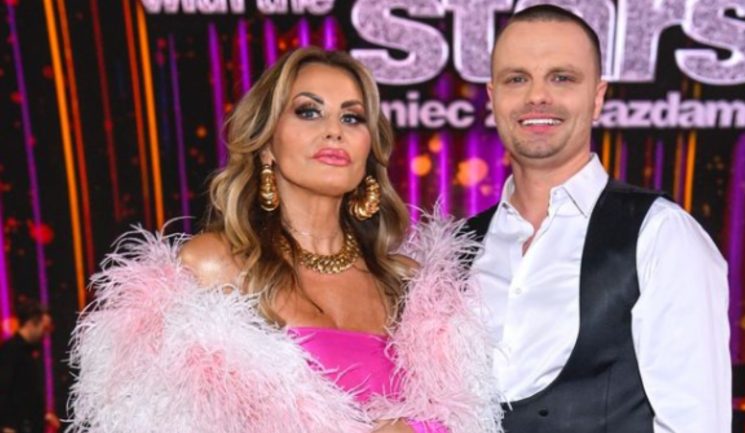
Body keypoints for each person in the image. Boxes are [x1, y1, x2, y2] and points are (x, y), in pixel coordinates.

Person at [67, 47, 501, 433]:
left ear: (369, 148)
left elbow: (464, 417)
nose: (334, 131)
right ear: (267, 144)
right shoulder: (213, 265)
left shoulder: (411, 288)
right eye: (309, 112)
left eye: (352, 117)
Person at [465, 5, 730, 433]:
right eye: (517, 79)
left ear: (598, 97)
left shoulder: (660, 234)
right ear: (493, 97)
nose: (537, 96)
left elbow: (695, 423)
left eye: (562, 78)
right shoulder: (458, 248)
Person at [0, 298, 59, 433]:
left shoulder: (29, 352)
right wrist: (6, 426)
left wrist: (44, 415)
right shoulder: (11, 350)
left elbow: (28, 393)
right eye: (44, 328)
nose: (45, 334)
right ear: (31, 323)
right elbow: (3, 390)